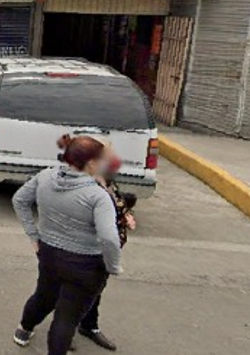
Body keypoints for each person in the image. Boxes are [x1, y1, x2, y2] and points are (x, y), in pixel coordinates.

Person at [11, 135, 122, 355]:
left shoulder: (45, 176)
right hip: (86, 264)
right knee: (66, 317)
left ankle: (23, 330)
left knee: (43, 296)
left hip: (49, 254)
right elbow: (109, 238)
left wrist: (34, 236)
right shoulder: (97, 196)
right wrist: (113, 266)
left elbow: (19, 200)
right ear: (91, 163)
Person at [78, 147, 138, 351]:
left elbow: (119, 205)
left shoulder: (110, 184)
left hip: (106, 249)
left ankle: (89, 325)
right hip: (87, 246)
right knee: (74, 289)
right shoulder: (86, 186)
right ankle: (64, 327)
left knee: (96, 289)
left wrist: (126, 215)